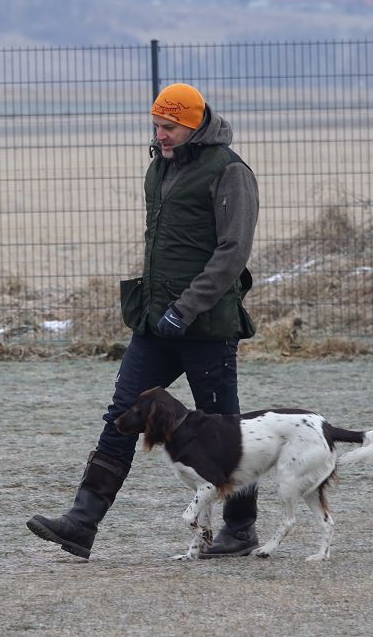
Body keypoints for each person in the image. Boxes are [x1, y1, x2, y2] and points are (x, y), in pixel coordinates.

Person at [27, 82, 260, 560]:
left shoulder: (230, 172)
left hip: (206, 326)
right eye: (157, 125)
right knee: (122, 414)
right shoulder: (160, 166)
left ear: (194, 125)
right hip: (156, 323)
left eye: (169, 126)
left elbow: (232, 252)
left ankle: (240, 529)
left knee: (224, 429)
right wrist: (158, 309)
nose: (161, 134)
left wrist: (186, 307)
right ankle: (81, 524)